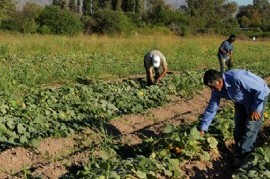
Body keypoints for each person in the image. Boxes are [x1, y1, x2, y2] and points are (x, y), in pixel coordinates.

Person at [200, 69, 269, 167]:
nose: (212, 89)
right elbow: (212, 108)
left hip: (256, 99)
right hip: (240, 100)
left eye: (212, 86)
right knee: (238, 129)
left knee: (250, 128)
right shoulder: (216, 90)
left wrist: (256, 108)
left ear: (219, 81)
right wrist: (203, 127)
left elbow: (262, 89)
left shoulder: (237, 78)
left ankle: (244, 158)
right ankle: (238, 152)